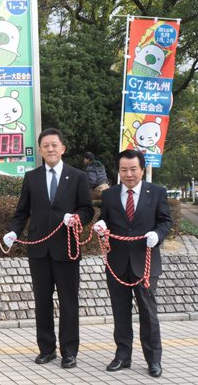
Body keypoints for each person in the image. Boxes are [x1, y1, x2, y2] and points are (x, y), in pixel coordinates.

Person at [3, 128, 94, 369]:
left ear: (63, 149)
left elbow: (88, 210)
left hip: (67, 248)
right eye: (46, 146)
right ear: (40, 151)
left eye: (54, 145)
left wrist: (75, 218)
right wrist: (13, 231)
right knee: (42, 301)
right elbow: (22, 211)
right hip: (39, 250)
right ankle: (46, 349)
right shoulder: (32, 177)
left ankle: (69, 351)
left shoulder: (77, 177)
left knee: (68, 301)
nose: (50, 149)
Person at [93, 149, 172, 378]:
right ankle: (122, 355)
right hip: (117, 262)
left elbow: (165, 221)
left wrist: (157, 235)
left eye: (133, 169)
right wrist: (100, 226)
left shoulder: (157, 192)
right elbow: (104, 219)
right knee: (120, 311)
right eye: (124, 169)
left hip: (145, 263)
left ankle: (153, 360)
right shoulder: (110, 195)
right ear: (118, 171)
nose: (129, 174)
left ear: (142, 169)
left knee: (148, 312)